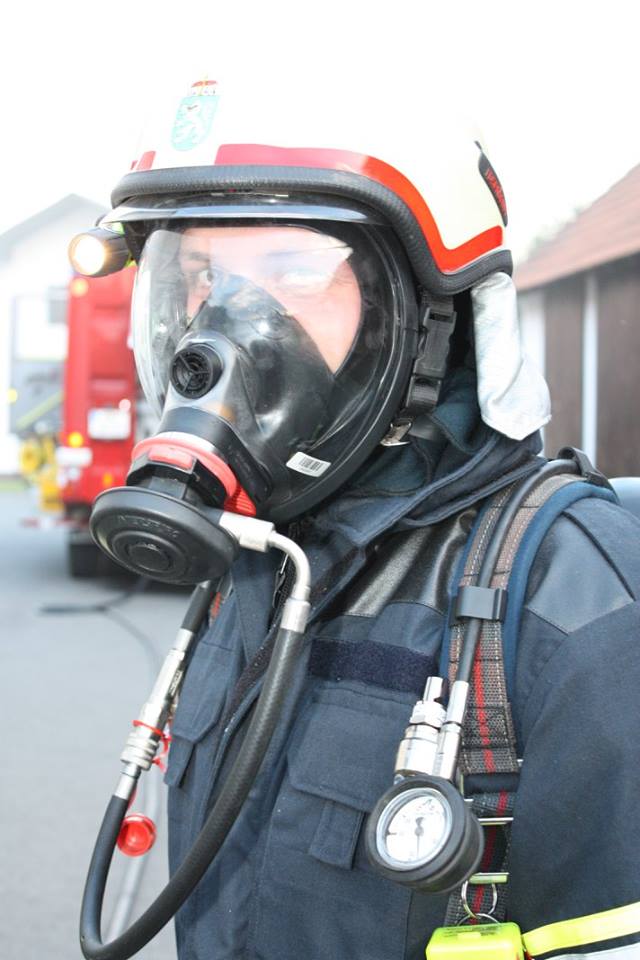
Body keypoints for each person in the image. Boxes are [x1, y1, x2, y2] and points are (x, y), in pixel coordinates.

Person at [90, 76, 640, 960]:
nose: (225, 328)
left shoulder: (571, 601)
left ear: (426, 322)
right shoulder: (262, 561)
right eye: (202, 278)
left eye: (294, 275)